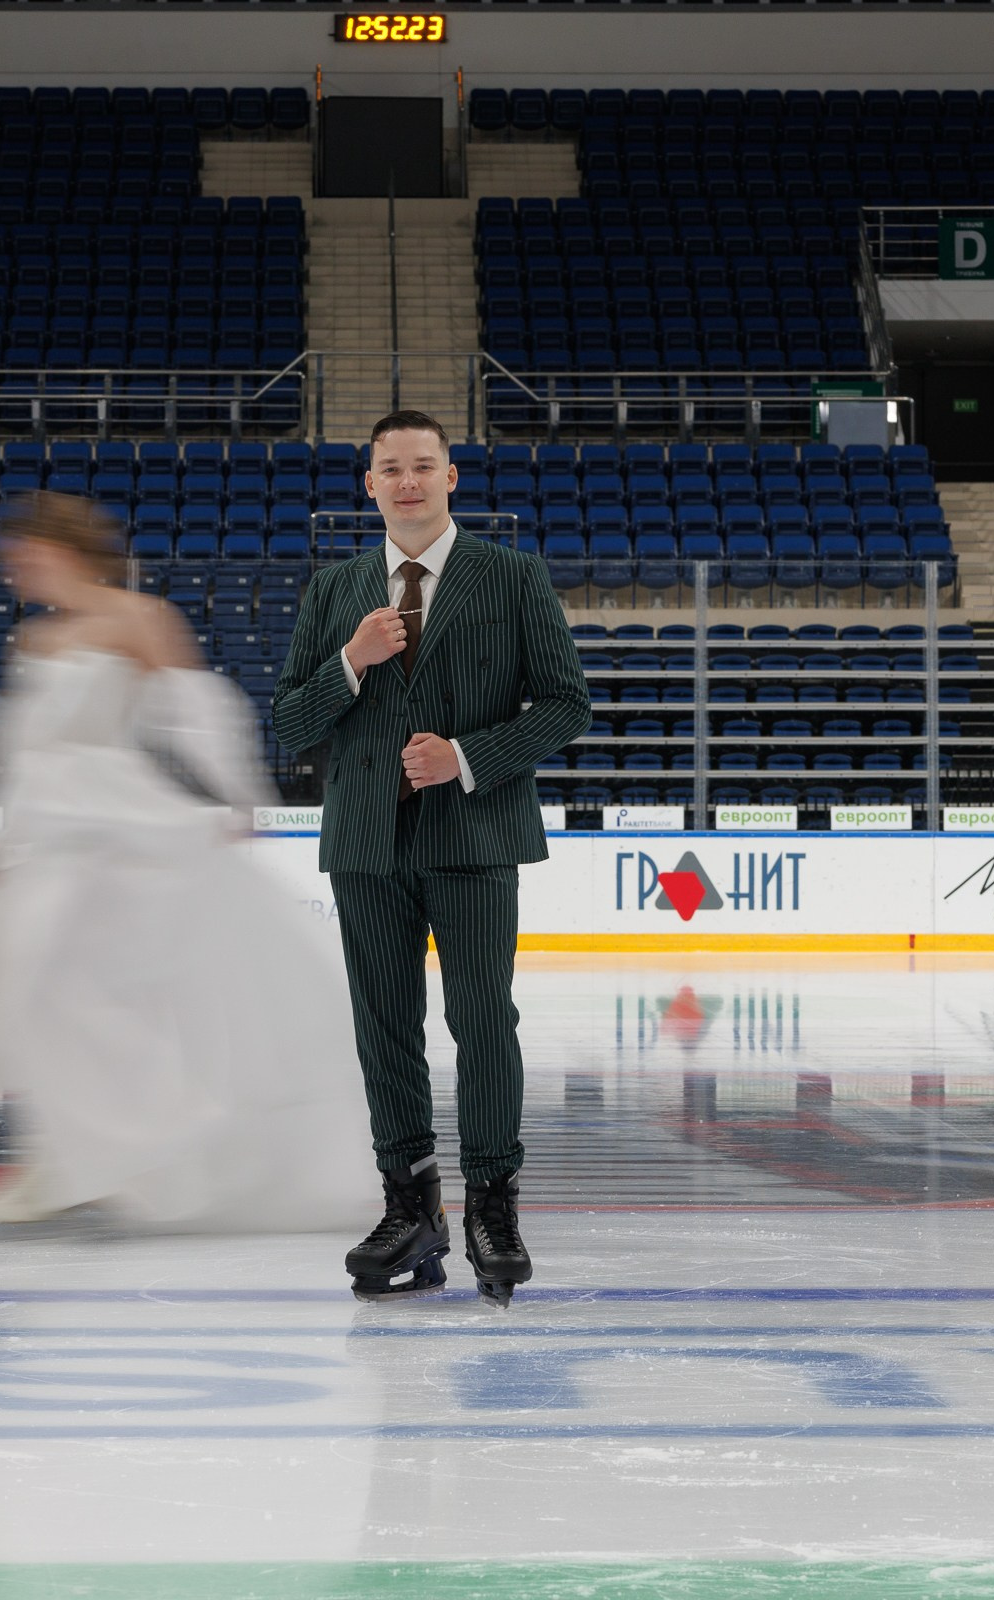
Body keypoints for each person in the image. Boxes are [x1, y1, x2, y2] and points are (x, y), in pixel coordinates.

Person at [0, 491, 374, 1233]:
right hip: (49, 836)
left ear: (62, 549)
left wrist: (236, 796)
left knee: (99, 992)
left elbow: (197, 714)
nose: (14, 570)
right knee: (34, 989)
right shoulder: (34, 638)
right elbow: (20, 755)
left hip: (121, 831)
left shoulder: (139, 619)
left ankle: (144, 1138)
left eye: (24, 554)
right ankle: (75, 1153)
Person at [272, 411, 591, 1306]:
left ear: (451, 477)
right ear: (369, 484)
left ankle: (493, 1207)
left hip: (474, 834)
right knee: (384, 1026)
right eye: (391, 469)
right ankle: (409, 1207)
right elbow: (290, 722)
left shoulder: (512, 577)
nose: (407, 482)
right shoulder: (335, 590)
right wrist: (351, 661)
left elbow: (566, 704)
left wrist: (467, 757)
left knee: (482, 1021)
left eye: (423, 466)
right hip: (366, 843)